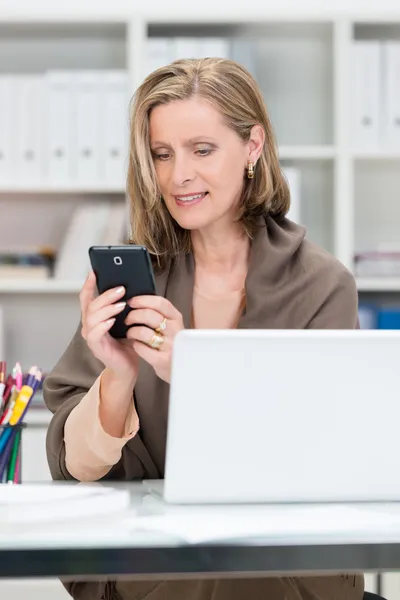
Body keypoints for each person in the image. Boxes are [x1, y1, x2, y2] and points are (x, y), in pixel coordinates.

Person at [43, 58, 364, 600]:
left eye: (202, 150)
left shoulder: (321, 285)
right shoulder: (134, 281)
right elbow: (77, 471)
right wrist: (118, 377)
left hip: (278, 557)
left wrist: (194, 374)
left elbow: (324, 462)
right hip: (157, 557)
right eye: (162, 154)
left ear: (253, 148)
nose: (177, 176)